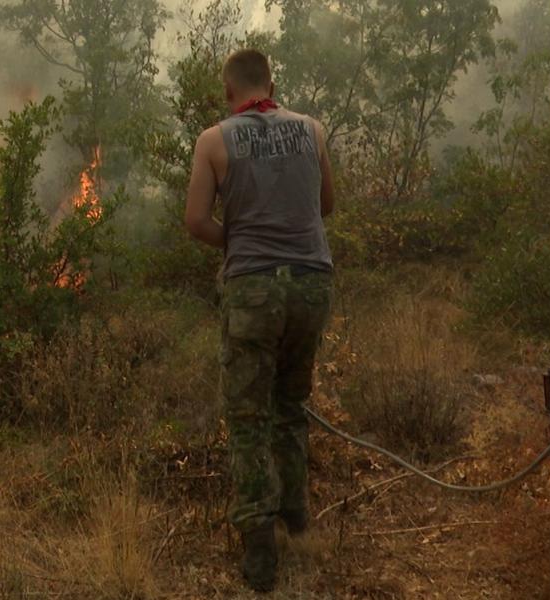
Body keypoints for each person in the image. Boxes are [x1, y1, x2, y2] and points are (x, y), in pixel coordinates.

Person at [184, 49, 336, 593]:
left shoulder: (213, 140)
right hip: (312, 283)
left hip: (253, 289)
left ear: (229, 92)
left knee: (247, 419)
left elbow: (196, 220)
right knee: (290, 406)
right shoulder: (312, 130)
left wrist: (242, 240)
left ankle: (260, 550)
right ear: (273, 82)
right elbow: (326, 205)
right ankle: (295, 515)